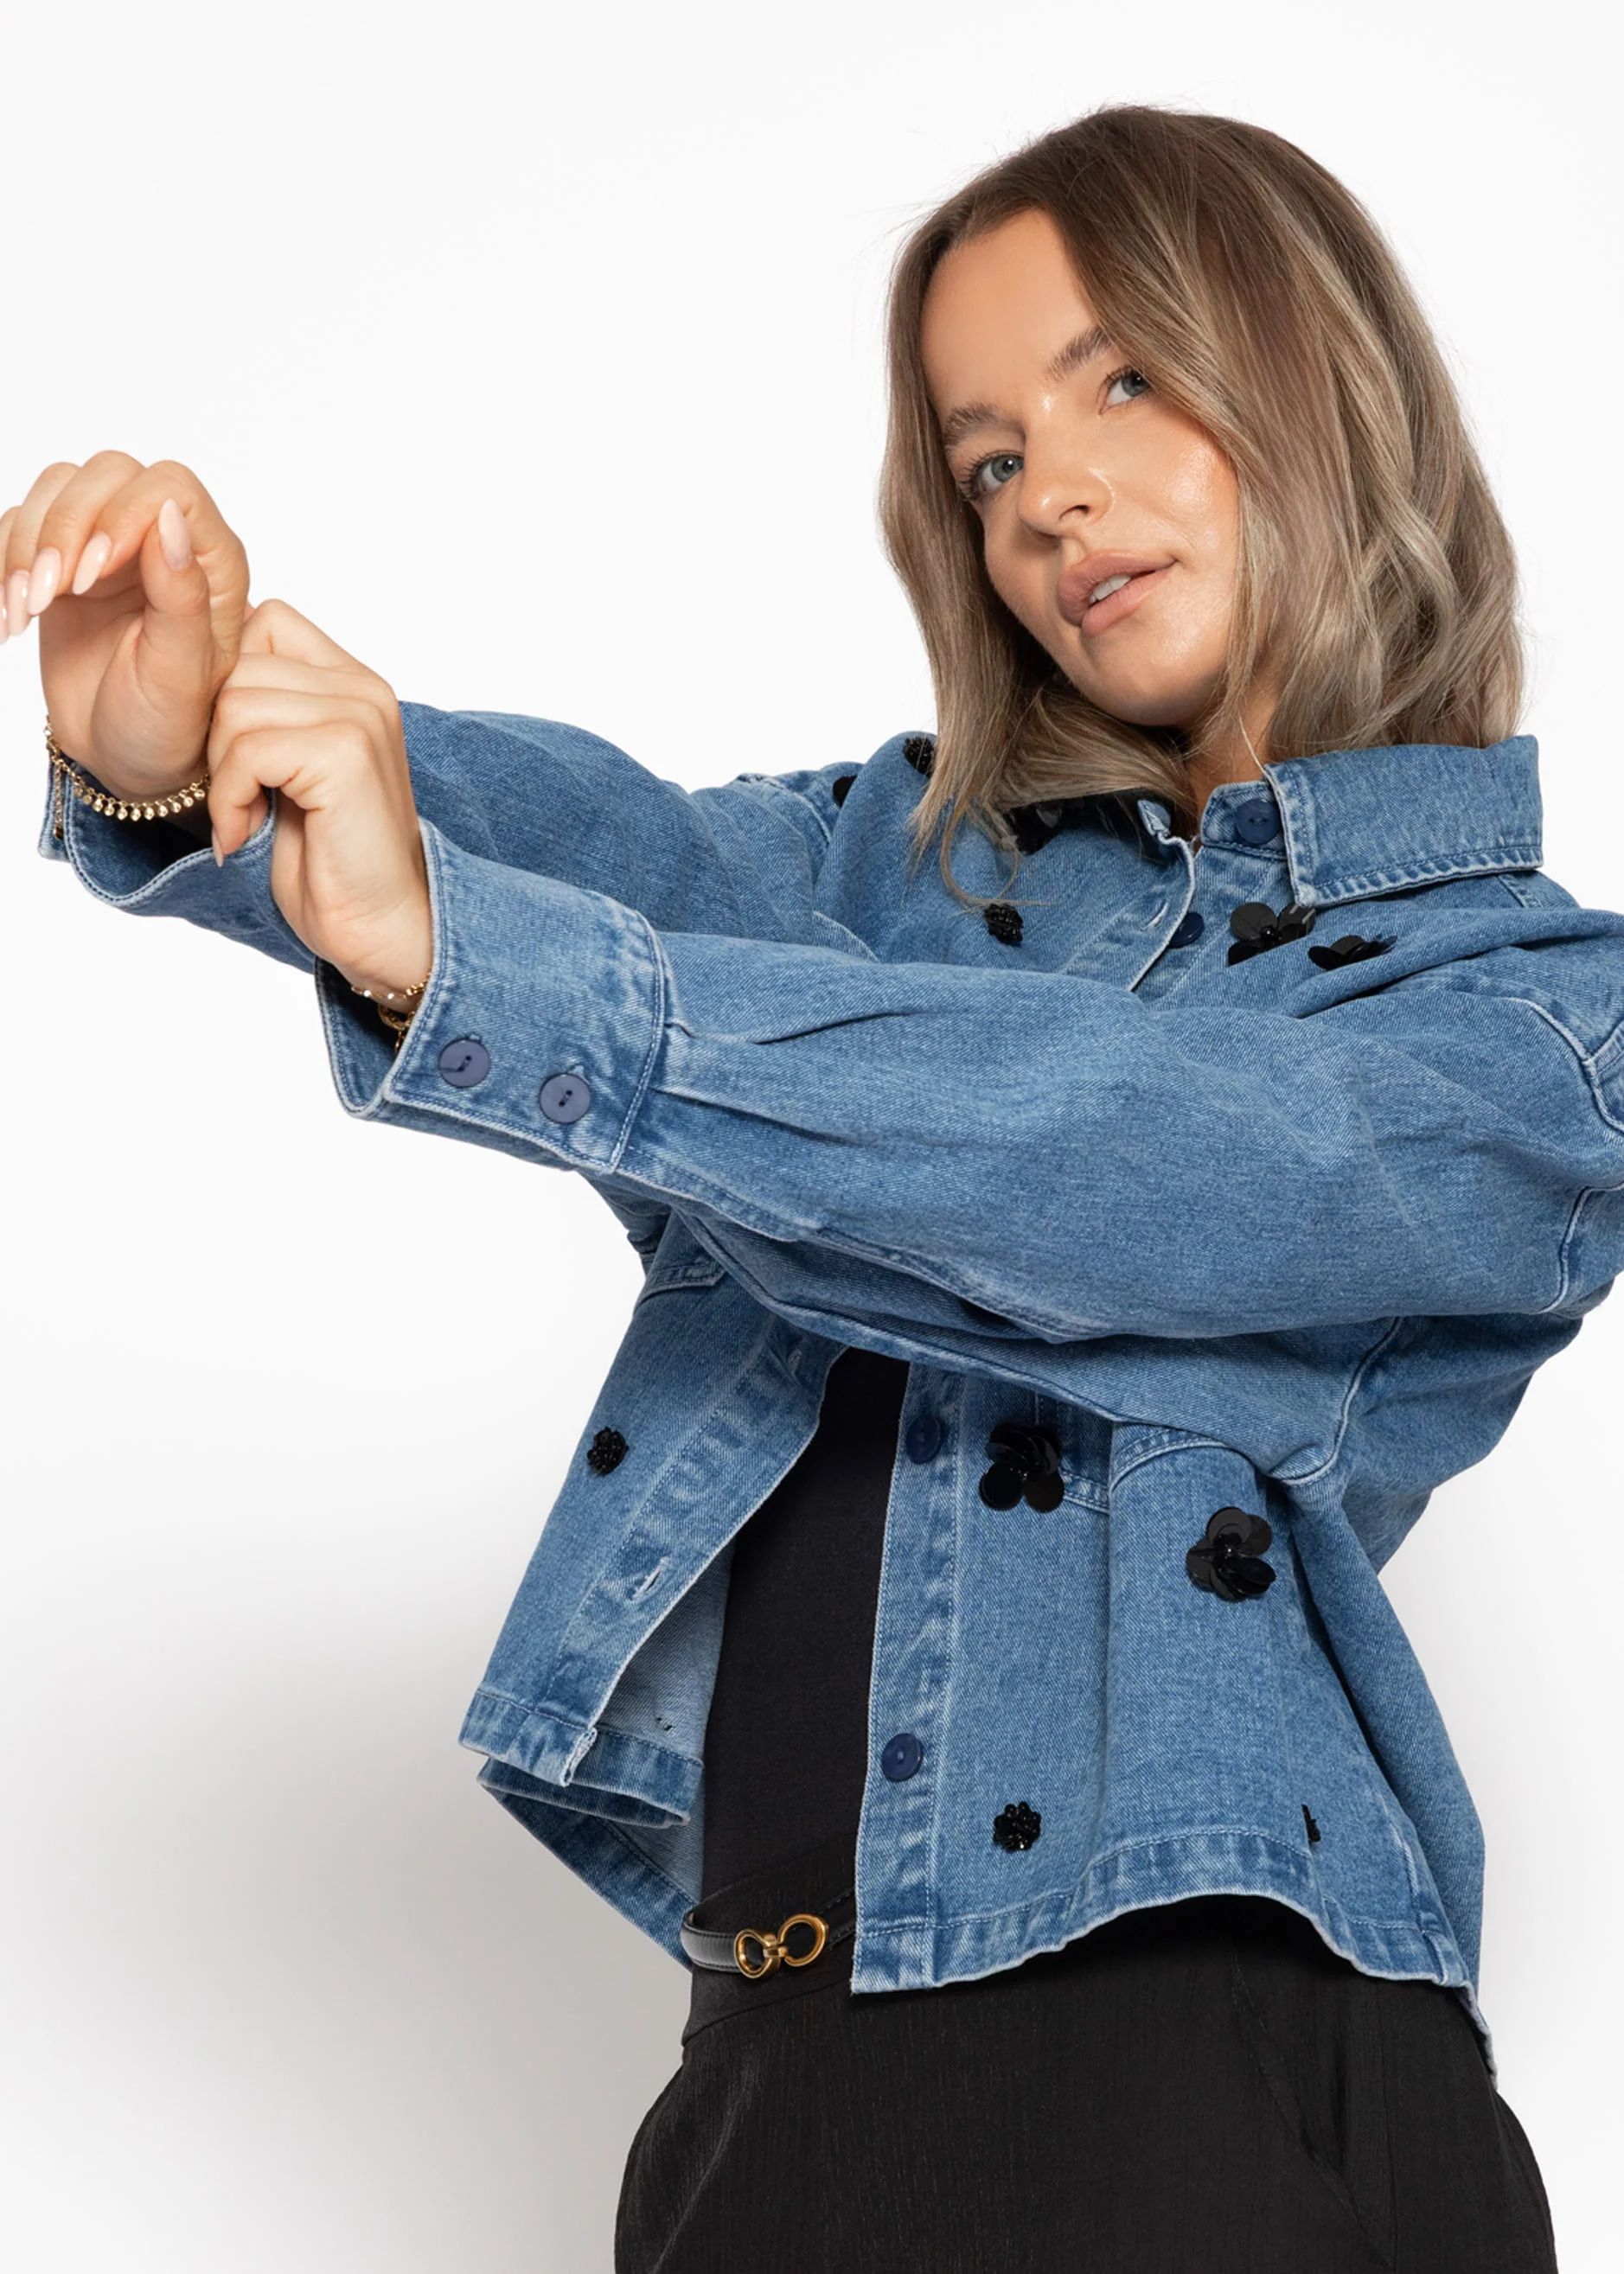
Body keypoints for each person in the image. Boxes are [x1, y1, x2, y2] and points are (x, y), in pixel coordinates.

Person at [3, 101, 1607, 2271]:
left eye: (1120, 375)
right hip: (776, 2072)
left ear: (1315, 373)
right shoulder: (894, 875)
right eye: (984, 459)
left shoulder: (1539, 1013)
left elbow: (1130, 1163)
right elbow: (607, 854)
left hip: (1216, 2072)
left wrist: (499, 972)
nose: (1046, 493)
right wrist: (196, 748)